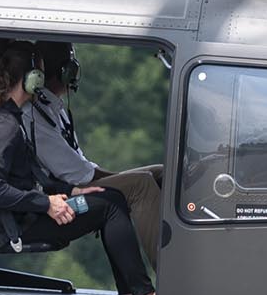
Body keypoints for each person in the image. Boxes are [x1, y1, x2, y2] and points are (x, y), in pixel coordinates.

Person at [0, 43, 156, 295]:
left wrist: (72, 190)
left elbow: (36, 175)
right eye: (38, 74)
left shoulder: (13, 119)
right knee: (109, 206)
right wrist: (46, 203)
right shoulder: (5, 126)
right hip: (21, 224)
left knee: (109, 199)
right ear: (30, 79)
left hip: (32, 212)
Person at [22, 41, 165, 267]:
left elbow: (81, 163)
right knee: (142, 185)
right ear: (65, 71)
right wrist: (123, 180)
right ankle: (170, 277)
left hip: (74, 183)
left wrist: (119, 177)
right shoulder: (33, 115)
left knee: (159, 172)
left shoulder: (51, 107)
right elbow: (78, 175)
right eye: (71, 67)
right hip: (61, 199)